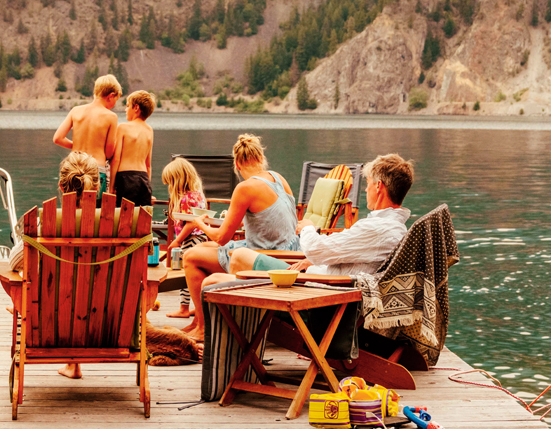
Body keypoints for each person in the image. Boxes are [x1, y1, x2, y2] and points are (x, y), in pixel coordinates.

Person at [178, 134, 299, 340]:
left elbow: (222, 238)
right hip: (290, 252)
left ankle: (203, 327)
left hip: (266, 257)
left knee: (190, 256)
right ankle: (197, 321)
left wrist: (198, 223)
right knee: (205, 247)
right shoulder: (278, 178)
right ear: (261, 157)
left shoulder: (245, 188)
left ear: (237, 164)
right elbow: (275, 217)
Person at [221, 153, 414, 278]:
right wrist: (311, 262)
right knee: (217, 279)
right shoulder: (394, 228)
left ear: (379, 187)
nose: (365, 189)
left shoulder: (378, 229)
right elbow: (341, 252)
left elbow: (314, 247)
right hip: (318, 275)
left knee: (239, 256)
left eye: (368, 183)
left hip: (318, 293)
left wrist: (307, 228)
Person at [5, 151, 99, 380]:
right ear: (97, 187)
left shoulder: (44, 223)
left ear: (60, 185)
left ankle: (23, 305)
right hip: (103, 323)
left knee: (10, 275)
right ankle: (74, 364)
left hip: (50, 320)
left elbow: (14, 262)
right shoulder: (122, 226)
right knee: (83, 290)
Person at [53, 74, 121, 192]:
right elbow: (109, 153)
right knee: (97, 209)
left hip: (73, 169)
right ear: (111, 96)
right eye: (116, 99)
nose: (115, 103)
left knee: (72, 208)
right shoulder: (111, 117)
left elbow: (58, 138)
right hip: (95, 170)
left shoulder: (76, 111)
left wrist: (75, 146)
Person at [161, 157, 207, 319]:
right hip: (201, 238)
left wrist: (178, 240)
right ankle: (198, 307)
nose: (169, 187)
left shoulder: (187, 198)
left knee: (186, 274)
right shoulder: (198, 195)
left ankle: (184, 308)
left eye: (170, 183)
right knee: (198, 276)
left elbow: (190, 224)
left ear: (178, 180)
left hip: (190, 239)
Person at [110, 90, 156, 207]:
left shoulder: (123, 127)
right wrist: (148, 186)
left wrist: (111, 188)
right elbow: (148, 165)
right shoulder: (149, 130)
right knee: (142, 218)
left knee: (124, 217)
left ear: (136, 108)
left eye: (127, 106)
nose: (126, 110)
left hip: (126, 179)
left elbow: (116, 160)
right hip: (144, 179)